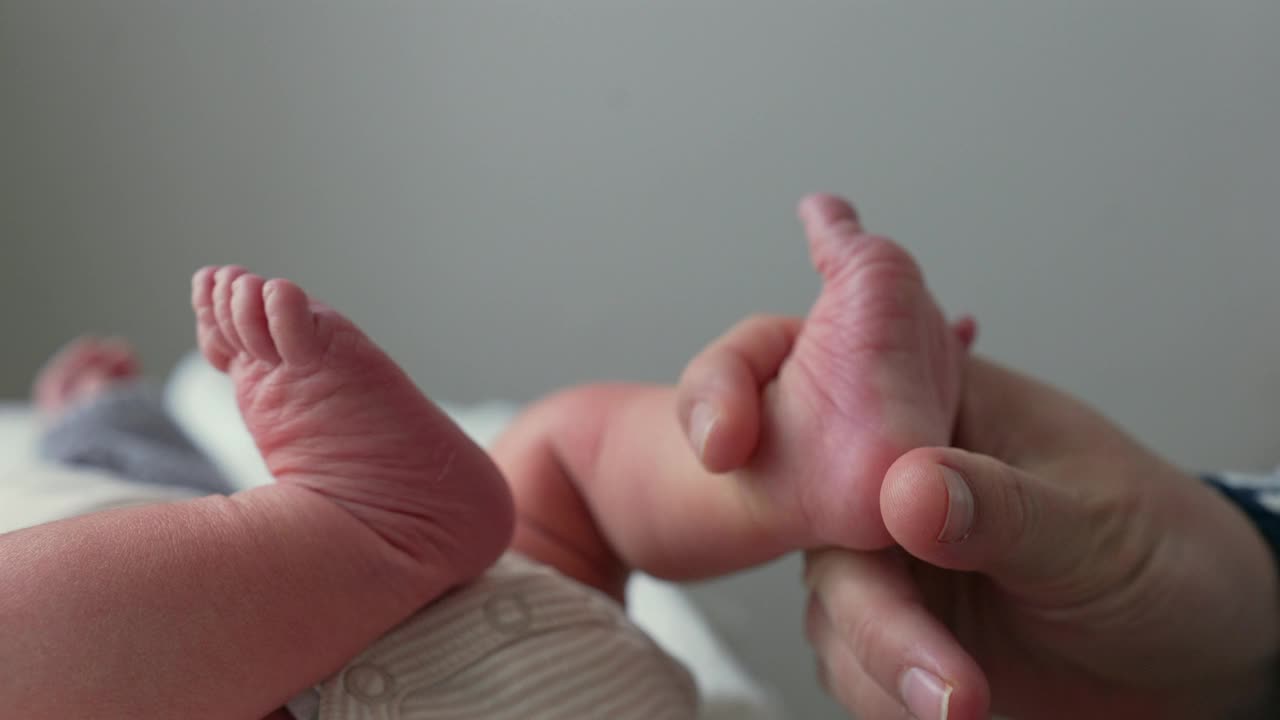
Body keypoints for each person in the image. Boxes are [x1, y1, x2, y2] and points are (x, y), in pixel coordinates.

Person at [1, 192, 971, 719]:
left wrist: (93, 419)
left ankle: (796, 468)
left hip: (440, 625)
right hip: (447, 634)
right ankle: (791, 467)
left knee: (548, 471)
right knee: (561, 465)